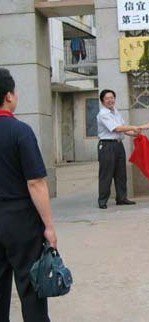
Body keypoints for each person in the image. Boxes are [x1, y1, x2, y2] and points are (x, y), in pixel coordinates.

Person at [0, 68, 57, 321]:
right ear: (9, 96)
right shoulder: (20, 131)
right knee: (30, 284)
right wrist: (49, 226)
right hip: (20, 219)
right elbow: (35, 182)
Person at [97, 89, 139, 209]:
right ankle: (102, 200)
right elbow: (117, 128)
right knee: (106, 173)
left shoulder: (115, 112)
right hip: (106, 145)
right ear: (102, 101)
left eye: (112, 98)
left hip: (118, 145)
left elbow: (123, 129)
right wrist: (133, 127)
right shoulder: (103, 114)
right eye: (107, 98)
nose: (110, 100)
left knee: (121, 173)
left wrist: (134, 133)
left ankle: (121, 198)